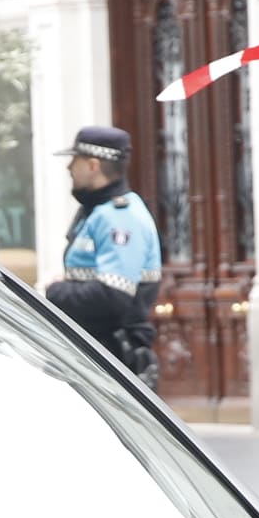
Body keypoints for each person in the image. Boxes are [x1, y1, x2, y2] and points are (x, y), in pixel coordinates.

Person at [44, 125, 164, 381]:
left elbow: (113, 296)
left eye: (74, 160)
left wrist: (55, 291)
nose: (69, 169)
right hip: (94, 356)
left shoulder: (120, 217)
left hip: (113, 360)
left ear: (93, 165)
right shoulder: (98, 212)